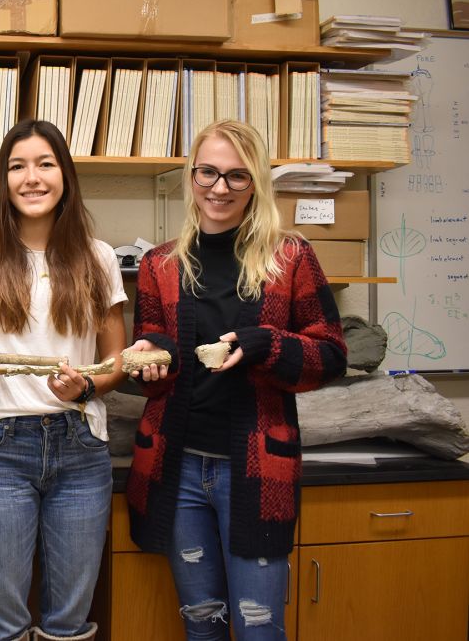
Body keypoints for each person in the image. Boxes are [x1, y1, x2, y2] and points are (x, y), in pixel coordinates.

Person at [125, 119, 347, 640]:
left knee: (258, 628)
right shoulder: (161, 263)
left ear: (255, 184)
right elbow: (155, 365)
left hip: (256, 474)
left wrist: (266, 344)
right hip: (176, 470)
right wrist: (150, 362)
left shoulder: (289, 257)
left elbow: (332, 355)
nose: (219, 189)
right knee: (201, 627)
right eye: (208, 173)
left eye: (236, 177)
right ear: (191, 176)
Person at [0, 119, 128, 641]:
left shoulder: (99, 257)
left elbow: (114, 363)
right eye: (18, 166)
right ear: (4, 179)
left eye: (45, 164)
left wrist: (85, 388)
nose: (32, 177)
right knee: (1, 620)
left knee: (69, 620)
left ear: (64, 173)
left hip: (81, 446)